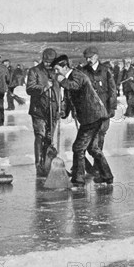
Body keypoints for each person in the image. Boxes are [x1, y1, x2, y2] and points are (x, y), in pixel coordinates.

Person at [54, 54, 113, 186]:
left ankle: (78, 179)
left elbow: (74, 86)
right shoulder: (69, 78)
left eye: (57, 69)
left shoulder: (77, 75)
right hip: (90, 117)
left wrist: (61, 81)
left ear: (65, 67)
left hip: (93, 115)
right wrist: (63, 112)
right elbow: (69, 99)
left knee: (78, 147)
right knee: (93, 148)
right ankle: (107, 176)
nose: (56, 72)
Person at [81, 46, 117, 172]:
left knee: (100, 136)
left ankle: (98, 166)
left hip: (104, 110)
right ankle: (84, 166)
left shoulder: (106, 71)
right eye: (86, 58)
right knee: (87, 139)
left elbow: (113, 90)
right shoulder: (83, 71)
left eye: (90, 57)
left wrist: (112, 107)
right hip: (88, 110)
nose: (88, 60)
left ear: (96, 56)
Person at [26, 48, 60, 176]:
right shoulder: (34, 71)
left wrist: (62, 106)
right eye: (45, 61)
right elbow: (29, 88)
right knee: (40, 136)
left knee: (49, 138)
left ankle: (48, 163)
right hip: (38, 110)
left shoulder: (57, 72)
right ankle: (38, 164)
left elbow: (62, 91)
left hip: (54, 110)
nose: (48, 64)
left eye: (50, 62)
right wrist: (44, 87)